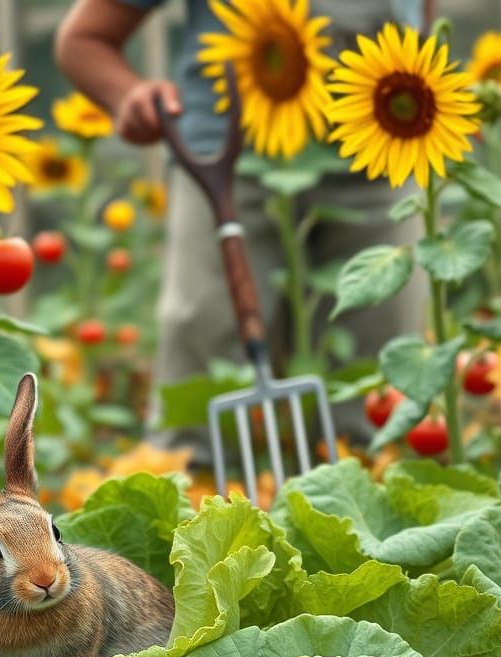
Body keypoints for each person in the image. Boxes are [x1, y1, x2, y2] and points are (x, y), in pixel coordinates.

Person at [55, 0, 429, 461]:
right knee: (204, 367)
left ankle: (365, 500)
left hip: (380, 153)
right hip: (227, 162)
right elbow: (83, 39)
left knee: (380, 386)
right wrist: (127, 95)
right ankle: (194, 498)